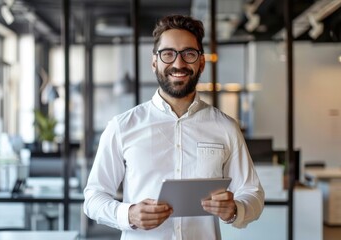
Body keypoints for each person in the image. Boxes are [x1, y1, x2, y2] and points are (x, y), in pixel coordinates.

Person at [83, 14, 264, 240]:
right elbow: (93, 197)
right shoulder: (122, 126)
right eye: (168, 54)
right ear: (154, 62)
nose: (178, 64)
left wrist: (236, 209)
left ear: (201, 62)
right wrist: (127, 214)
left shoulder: (225, 127)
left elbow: (253, 194)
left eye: (189, 54)